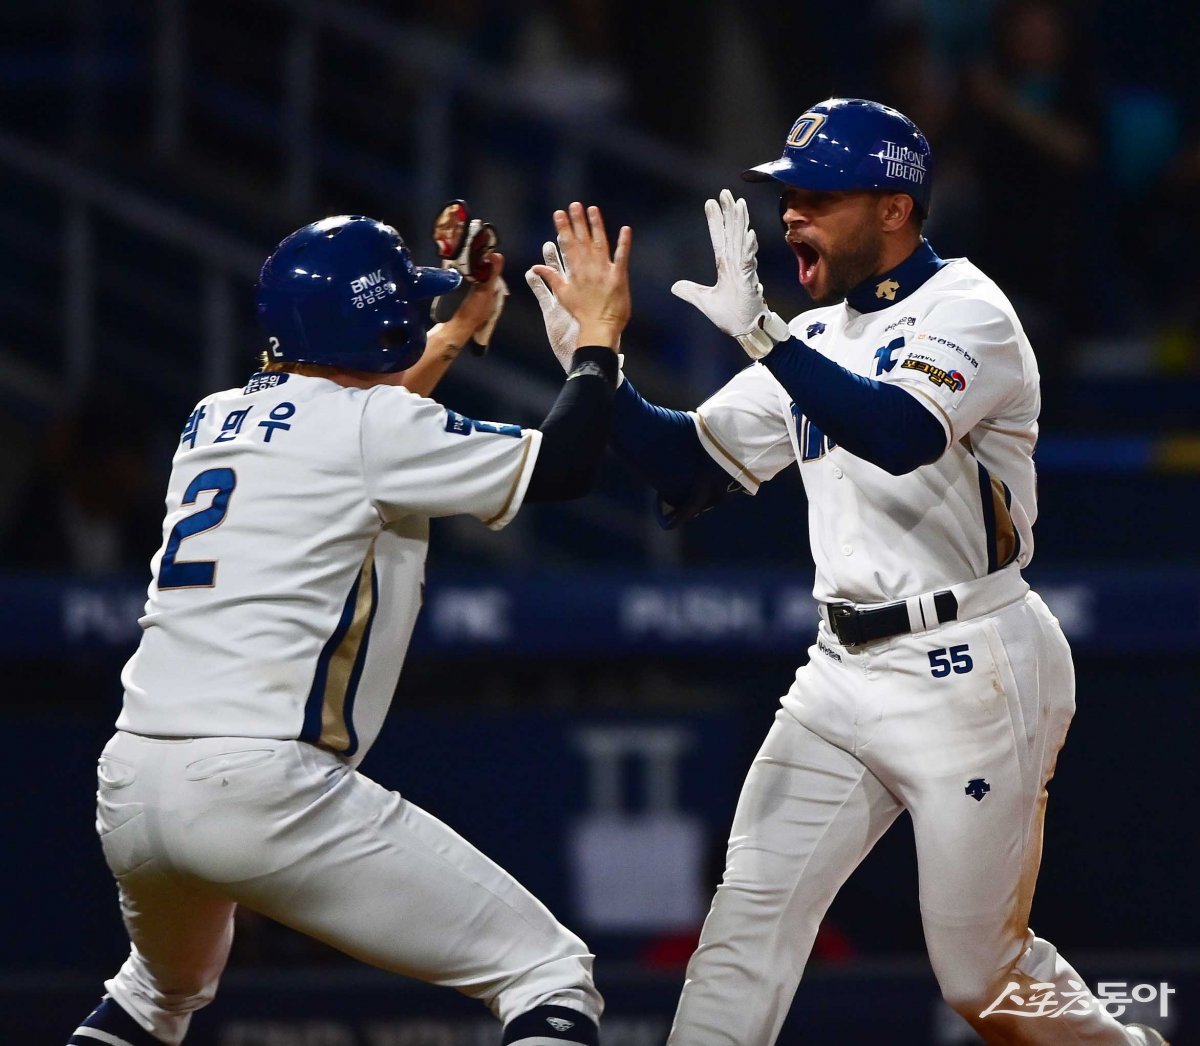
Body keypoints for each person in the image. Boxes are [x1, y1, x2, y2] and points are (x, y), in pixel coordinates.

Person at [528, 99, 1167, 1045]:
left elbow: (899, 433)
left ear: (895, 207)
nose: (791, 214)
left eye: (818, 196)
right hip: (838, 669)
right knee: (746, 925)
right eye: (788, 195)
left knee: (981, 977)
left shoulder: (969, 310)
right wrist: (596, 366)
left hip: (970, 662)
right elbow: (690, 466)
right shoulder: (819, 336)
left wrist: (766, 339)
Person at [69, 205, 631, 1046]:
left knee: (155, 995)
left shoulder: (210, 417)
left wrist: (460, 324)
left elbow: (357, 427)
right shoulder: (373, 428)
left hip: (133, 778)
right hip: (257, 782)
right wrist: (600, 336)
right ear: (382, 328)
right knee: (546, 974)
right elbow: (566, 463)